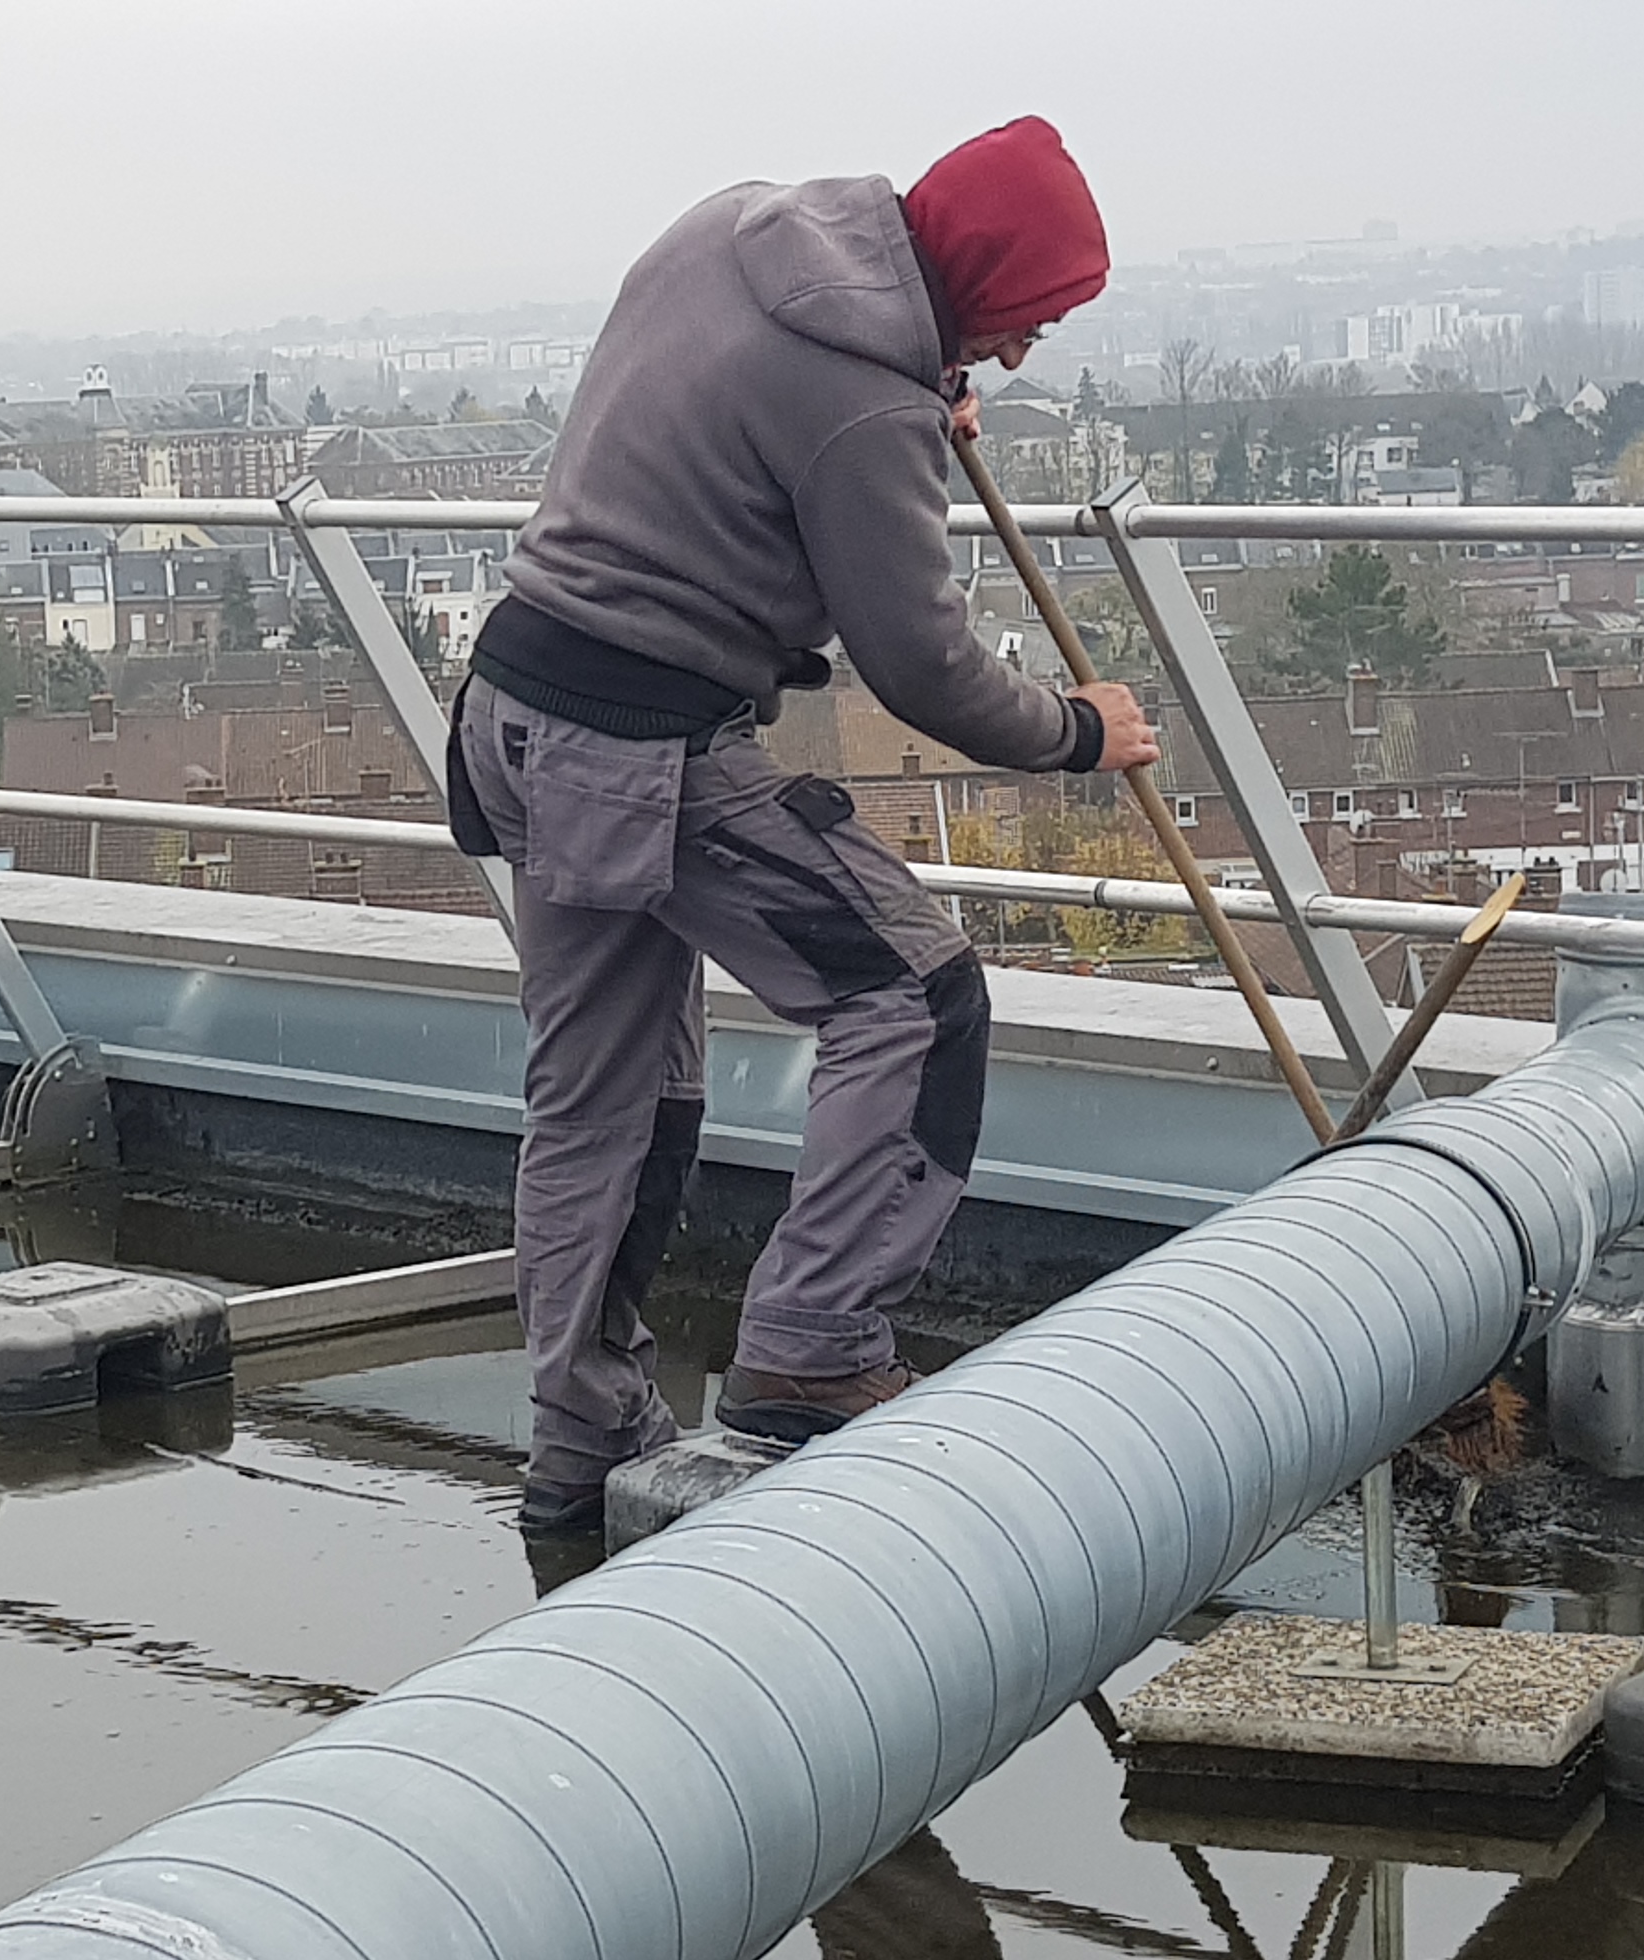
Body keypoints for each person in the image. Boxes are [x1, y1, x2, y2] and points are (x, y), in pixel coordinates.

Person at [448, 116, 1160, 1535]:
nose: (1017, 358)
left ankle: (578, 1455)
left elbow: (755, 413)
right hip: (642, 750)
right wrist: (1085, 733)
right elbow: (925, 668)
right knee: (917, 995)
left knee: (603, 1097)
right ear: (979, 274)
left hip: (516, 706)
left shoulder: (737, 227)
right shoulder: (864, 407)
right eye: (1022, 324)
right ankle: (810, 1353)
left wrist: (920, 381)